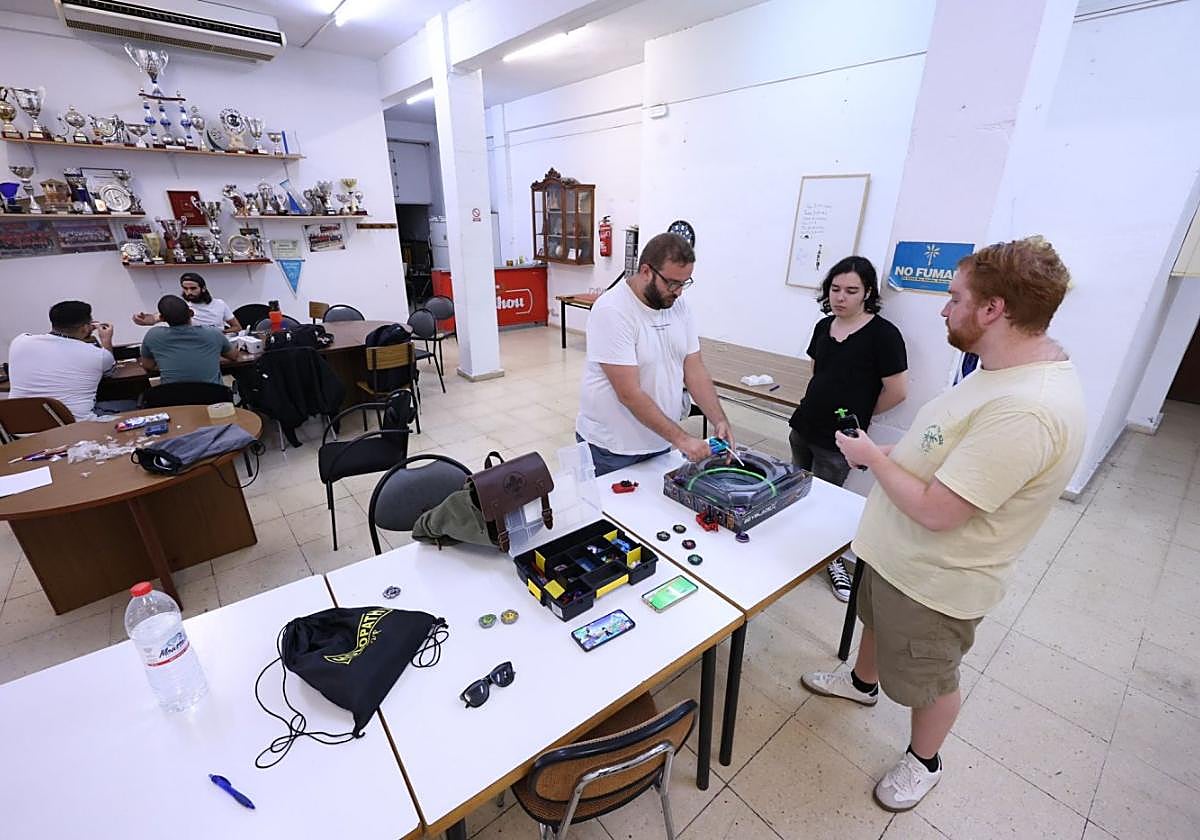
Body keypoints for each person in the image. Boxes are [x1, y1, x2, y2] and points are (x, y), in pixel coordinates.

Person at [801, 237, 1086, 812]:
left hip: (936, 580)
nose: (942, 308)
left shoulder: (1028, 409)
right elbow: (943, 450)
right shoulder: (999, 370)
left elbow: (937, 510)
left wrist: (873, 459)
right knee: (875, 623)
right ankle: (859, 684)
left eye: (954, 297)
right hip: (894, 556)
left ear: (993, 309)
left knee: (930, 677)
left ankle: (924, 762)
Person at [788, 256, 908, 601]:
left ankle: (832, 558)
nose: (841, 297)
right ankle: (792, 545)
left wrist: (858, 418)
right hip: (804, 425)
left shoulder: (884, 335)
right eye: (835, 289)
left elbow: (898, 392)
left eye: (851, 291)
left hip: (840, 441)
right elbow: (817, 373)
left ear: (867, 292)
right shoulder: (823, 327)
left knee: (829, 502)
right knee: (796, 488)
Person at [576, 232, 733, 476]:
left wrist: (718, 419)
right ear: (646, 271)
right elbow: (629, 393)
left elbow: (694, 368)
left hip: (659, 439)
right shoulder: (613, 311)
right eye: (672, 283)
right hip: (611, 449)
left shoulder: (678, 306)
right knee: (611, 514)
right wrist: (682, 439)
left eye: (684, 283)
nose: (679, 292)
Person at [7, 300, 116, 420]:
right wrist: (106, 340)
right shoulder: (99, 355)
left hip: (20, 427)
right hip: (75, 428)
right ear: (85, 328)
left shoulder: (20, 341)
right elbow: (109, 372)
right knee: (134, 404)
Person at [139, 294, 240, 385]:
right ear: (191, 313)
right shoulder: (213, 333)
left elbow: (148, 365)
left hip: (174, 400)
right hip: (212, 398)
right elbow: (233, 356)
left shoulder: (153, 335)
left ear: (162, 318)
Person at [132, 273, 241, 332]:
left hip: (218, 343)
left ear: (203, 288)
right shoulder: (180, 306)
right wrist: (142, 319)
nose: (189, 292)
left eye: (193, 288)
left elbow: (237, 327)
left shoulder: (219, 304)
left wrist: (221, 333)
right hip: (193, 345)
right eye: (185, 288)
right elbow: (154, 318)